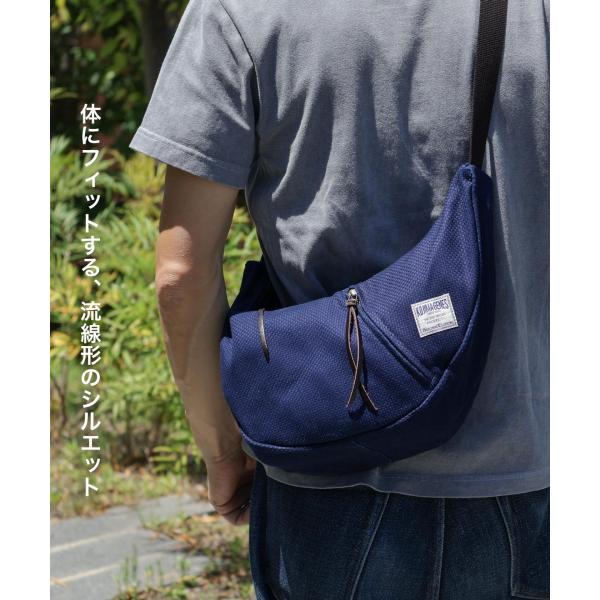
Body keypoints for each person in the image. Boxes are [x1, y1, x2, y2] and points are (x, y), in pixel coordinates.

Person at [129, 0, 549, 597]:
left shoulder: (240, 11)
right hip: (539, 482)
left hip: (330, 477)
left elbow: (181, 274)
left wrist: (222, 449)